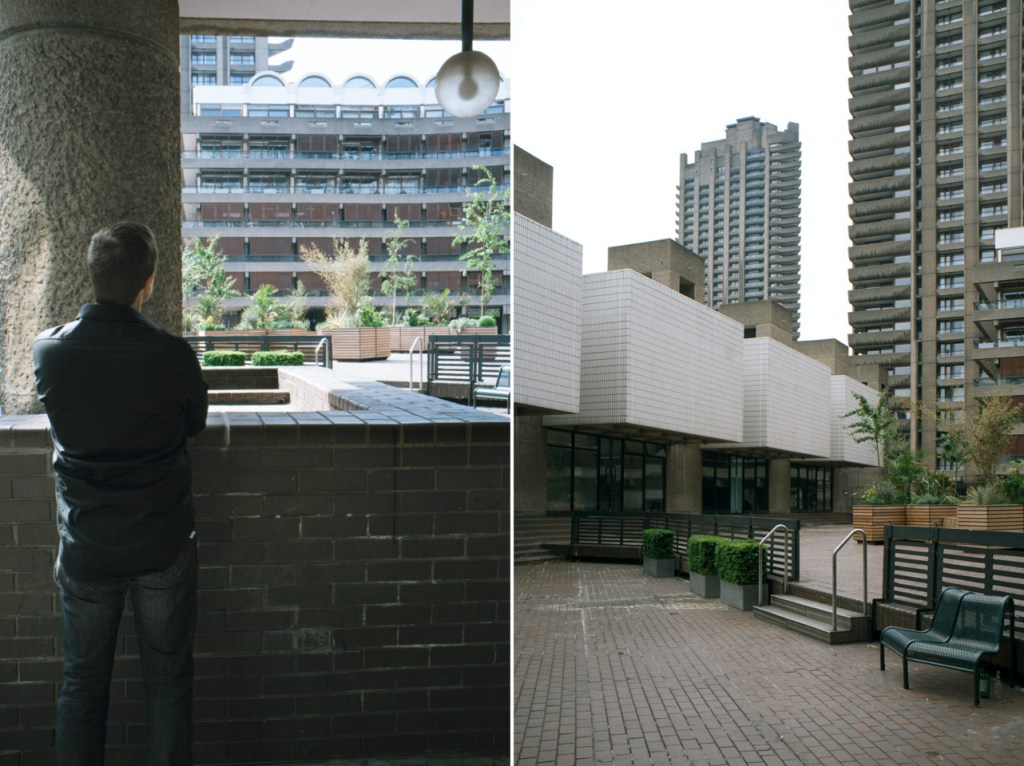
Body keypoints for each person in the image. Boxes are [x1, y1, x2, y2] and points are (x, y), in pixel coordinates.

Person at [33, 222, 208, 765]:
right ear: (148, 283)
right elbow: (194, 424)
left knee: (82, 686)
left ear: (92, 276)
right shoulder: (171, 355)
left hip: (87, 544)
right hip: (162, 542)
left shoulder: (49, 352)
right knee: (169, 683)